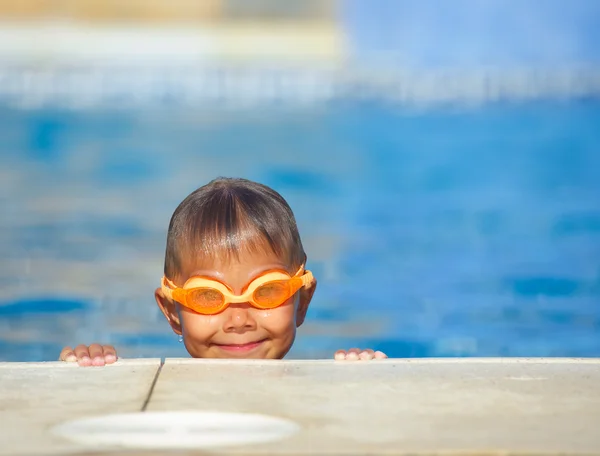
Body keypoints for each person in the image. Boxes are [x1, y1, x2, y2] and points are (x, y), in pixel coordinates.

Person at [59, 177, 387, 366]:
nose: (239, 320)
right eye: (208, 296)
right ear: (172, 311)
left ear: (302, 301)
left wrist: (363, 385)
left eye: (267, 291)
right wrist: (85, 374)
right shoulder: (161, 399)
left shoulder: (321, 394)